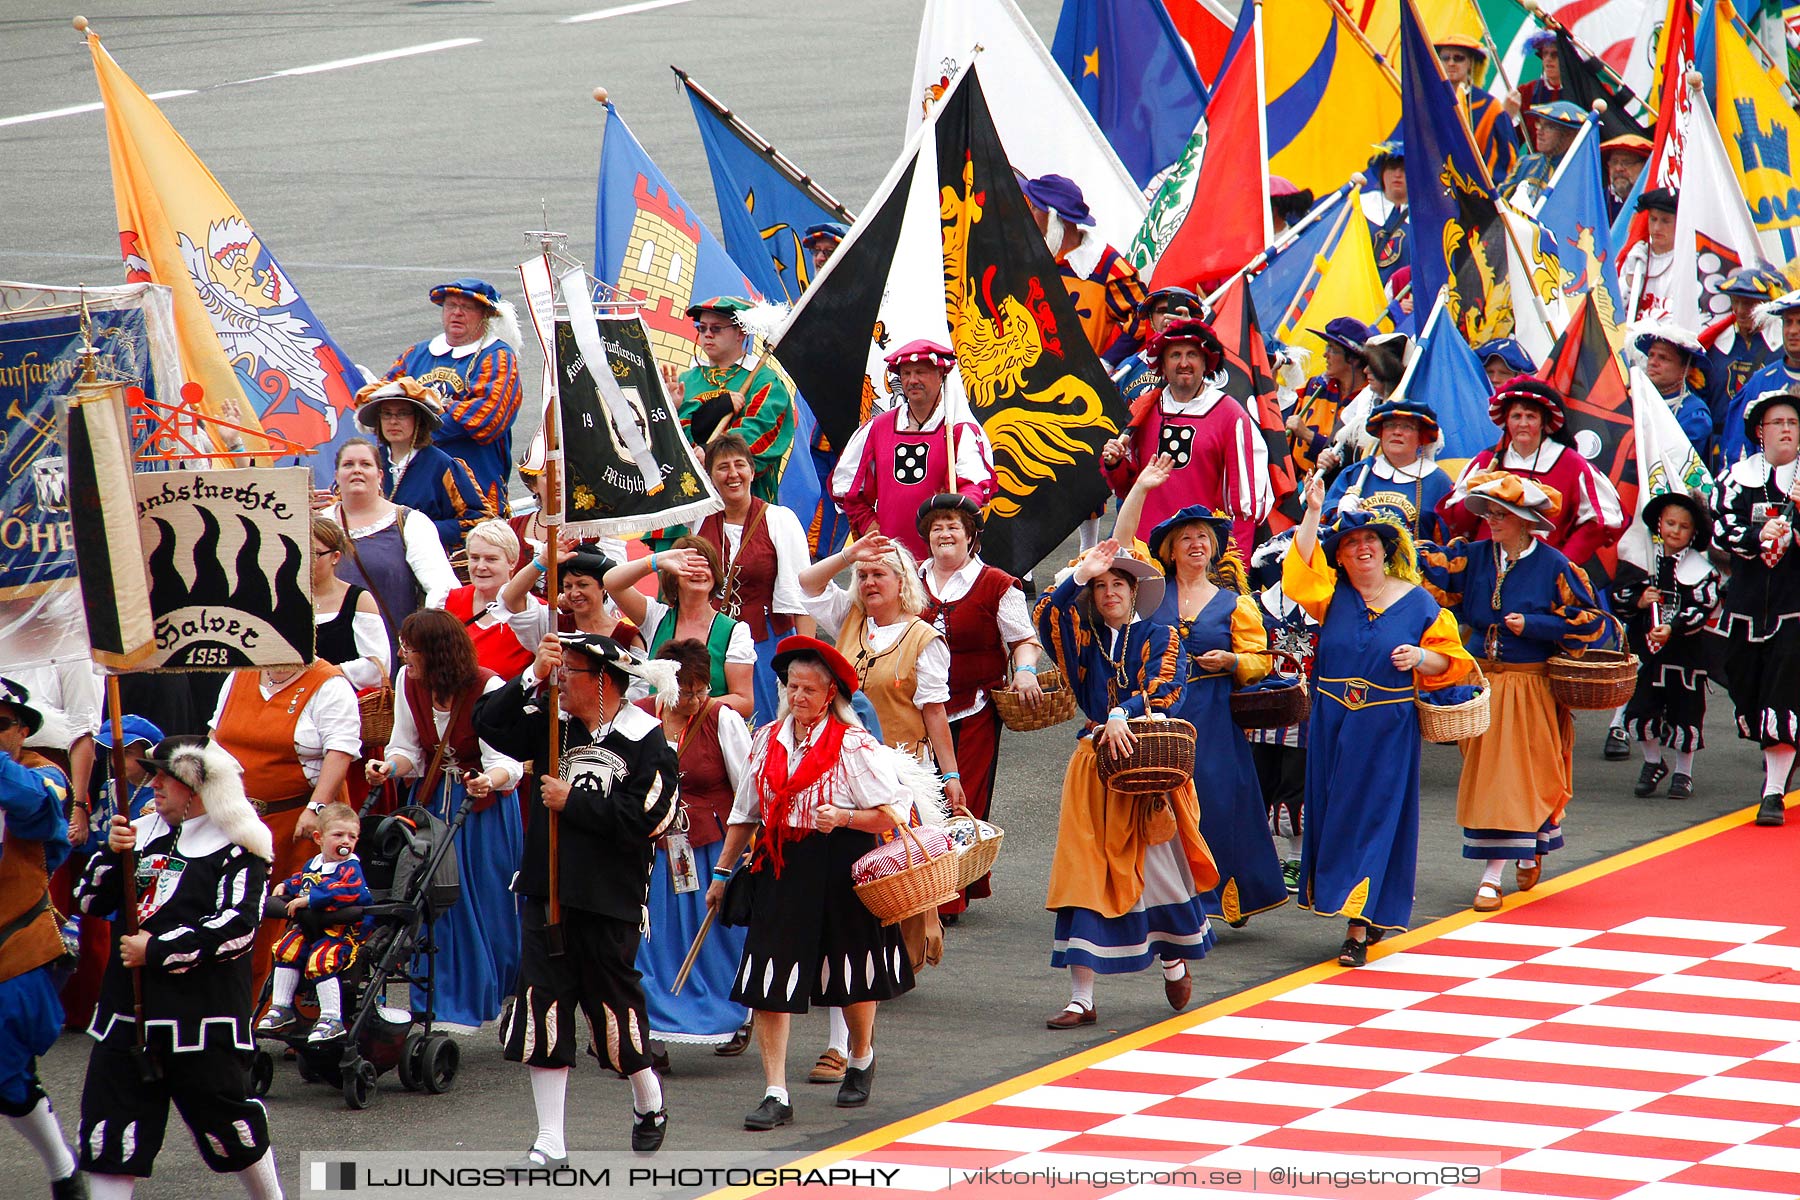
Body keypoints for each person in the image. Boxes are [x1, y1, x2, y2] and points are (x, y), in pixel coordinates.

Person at [473, 632, 678, 1156]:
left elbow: (650, 819)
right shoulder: (552, 725)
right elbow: (488, 723)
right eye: (559, 670)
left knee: (612, 1007)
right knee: (544, 1005)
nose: (562, 679)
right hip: (546, 892)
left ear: (604, 681)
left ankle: (647, 1094)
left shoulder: (646, 740)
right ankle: (550, 1139)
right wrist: (532, 675)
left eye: (571, 671)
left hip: (609, 898)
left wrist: (574, 803)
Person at [705, 636, 918, 1130]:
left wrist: (843, 816)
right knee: (768, 976)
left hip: (842, 863)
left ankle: (860, 1056)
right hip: (781, 864)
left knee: (851, 973)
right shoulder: (767, 740)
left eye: (808, 689)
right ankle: (775, 1092)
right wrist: (721, 872)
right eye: (791, 686)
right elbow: (746, 812)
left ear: (830, 696)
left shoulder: (855, 745)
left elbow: (894, 812)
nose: (796, 696)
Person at [74, 736, 282, 1200]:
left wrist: (159, 950)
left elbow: (238, 927)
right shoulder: (138, 834)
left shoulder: (239, 846)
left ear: (199, 788)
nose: (155, 785)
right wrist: (111, 854)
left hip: (201, 1018)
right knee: (111, 1130)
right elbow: (88, 901)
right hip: (127, 1015)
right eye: (155, 775)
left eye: (167, 777)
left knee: (229, 1127)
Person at [1284, 482, 1473, 966]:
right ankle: (1352, 909)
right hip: (1332, 724)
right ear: (1341, 557)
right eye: (1350, 543)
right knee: (1335, 814)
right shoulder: (1332, 596)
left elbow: (1453, 663)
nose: (1362, 547)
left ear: (1386, 550)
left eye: (1370, 541)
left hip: (1387, 729)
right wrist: (1310, 510)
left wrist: (1421, 655)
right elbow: (1297, 575)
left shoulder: (1419, 603)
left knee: (1376, 818)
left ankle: (1358, 926)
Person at [1035, 540, 1218, 1027]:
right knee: (1082, 873)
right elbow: (1046, 618)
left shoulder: (1162, 634)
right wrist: (1078, 574)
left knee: (1156, 871)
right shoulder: (1082, 638)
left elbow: (1167, 689)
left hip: (1147, 766)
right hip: (1094, 766)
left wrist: (1121, 713)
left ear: (1134, 590)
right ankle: (1081, 999)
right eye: (1100, 586)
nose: (1109, 592)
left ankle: (1173, 959)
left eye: (1118, 583)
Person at [1421, 472, 1609, 910]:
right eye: (1488, 512)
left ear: (1526, 521)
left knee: (1512, 776)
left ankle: (1492, 876)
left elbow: (1594, 623)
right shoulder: (1473, 557)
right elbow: (1432, 581)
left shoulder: (1555, 566)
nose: (1491, 520)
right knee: (1496, 776)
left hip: (1531, 686)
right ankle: (1532, 842)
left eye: (1501, 514)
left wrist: (1537, 625)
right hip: (1482, 684)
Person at [1113, 469, 1288, 928]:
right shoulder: (1149, 592)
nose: (1195, 544)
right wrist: (1141, 487)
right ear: (1169, 551)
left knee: (1216, 801)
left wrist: (1231, 661)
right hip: (1158, 712)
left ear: (1213, 548)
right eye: (1185, 537)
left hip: (1212, 716)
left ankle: (1216, 901)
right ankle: (1165, 899)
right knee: (1161, 802)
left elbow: (1260, 662)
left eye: (1203, 537)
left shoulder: (1236, 603)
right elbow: (1121, 539)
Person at [366, 610, 523, 1032]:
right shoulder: (408, 683)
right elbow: (408, 750)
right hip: (433, 806)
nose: (403, 655)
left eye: (409, 648)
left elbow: (507, 761)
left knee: (491, 907)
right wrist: (389, 768)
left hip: (483, 810)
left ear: (435, 652)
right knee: (435, 903)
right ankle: (443, 999)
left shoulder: (487, 686)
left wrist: (488, 780)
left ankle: (503, 995)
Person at [916, 494, 1042, 918]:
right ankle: (918, 883)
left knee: (962, 794)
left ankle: (950, 894)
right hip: (917, 705)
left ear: (971, 537)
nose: (945, 533)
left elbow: (1024, 640)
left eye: (953, 526)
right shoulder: (912, 578)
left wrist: (1024, 672)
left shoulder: (997, 584)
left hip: (975, 708)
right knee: (920, 794)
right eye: (937, 527)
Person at [209, 655, 359, 996]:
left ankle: (297, 1014)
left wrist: (316, 808)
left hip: (300, 821)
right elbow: (215, 738)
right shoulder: (239, 675)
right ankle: (235, 1004)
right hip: (238, 818)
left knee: (296, 913)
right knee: (235, 906)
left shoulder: (329, 684)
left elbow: (340, 751)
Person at [634, 640, 752, 1056]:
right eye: (685, 690)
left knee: (716, 939)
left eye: (700, 688)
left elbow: (747, 790)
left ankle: (732, 1014)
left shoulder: (721, 718)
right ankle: (656, 1030)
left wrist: (743, 851)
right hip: (657, 847)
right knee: (656, 938)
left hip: (709, 847)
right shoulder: (642, 716)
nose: (694, 699)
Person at [0, 678, 84, 1200]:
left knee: (6, 1075)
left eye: (0, 724)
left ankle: (62, 1170)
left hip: (14, 942)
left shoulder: (43, 774)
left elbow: (39, 814)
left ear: (23, 730)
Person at [1100, 319, 1263, 556]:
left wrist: (1233, 572)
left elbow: (1242, 507)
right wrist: (1114, 463)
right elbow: (1126, 487)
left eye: (1192, 355)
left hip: (1199, 556)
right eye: (1175, 355)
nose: (1184, 363)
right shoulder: (1144, 409)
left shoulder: (1231, 415)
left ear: (1206, 362)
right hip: (1145, 551)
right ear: (1163, 365)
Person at [1714, 392, 1800, 826]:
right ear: (1759, 432)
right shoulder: (1736, 478)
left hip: (1794, 608)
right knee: (1745, 689)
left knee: (1781, 694)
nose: (1786, 429)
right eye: (1777, 422)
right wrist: (1756, 533)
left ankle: (1773, 792)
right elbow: (1718, 529)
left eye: (1793, 422)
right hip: (1746, 608)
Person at [831, 339, 996, 562]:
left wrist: (951, 521)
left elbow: (973, 488)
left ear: (940, 375)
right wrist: (872, 526)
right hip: (890, 557)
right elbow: (848, 488)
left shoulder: (959, 430)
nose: (912, 380)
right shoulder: (877, 428)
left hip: (943, 557)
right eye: (906, 373)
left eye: (920, 372)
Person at [688, 435, 814, 723]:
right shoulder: (697, 520)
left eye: (739, 465)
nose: (732, 474)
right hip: (712, 642)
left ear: (752, 470)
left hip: (765, 642)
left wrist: (807, 661)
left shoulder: (780, 520)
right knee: (715, 723)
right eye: (722, 467)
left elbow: (801, 600)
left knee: (766, 723)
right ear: (710, 476)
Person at [1439, 377, 1625, 565]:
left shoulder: (1572, 464)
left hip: (1541, 574)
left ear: (1544, 423)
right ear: (1506, 421)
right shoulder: (1486, 461)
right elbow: (1456, 521)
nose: (1523, 423)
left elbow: (1602, 521)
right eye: (1516, 416)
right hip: (1486, 569)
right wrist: (1474, 492)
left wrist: (1563, 564)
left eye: (1531, 416)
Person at [383, 277, 523, 520]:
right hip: (414, 489)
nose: (457, 313)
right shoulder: (415, 354)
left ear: (485, 315)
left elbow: (486, 417)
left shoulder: (497, 357)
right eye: (450, 306)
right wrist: (445, 409)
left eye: (467, 308)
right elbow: (381, 404)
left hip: (472, 492)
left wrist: (414, 419)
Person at [1611, 493, 1720, 800]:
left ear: (1693, 532)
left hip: (1684, 657)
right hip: (1646, 655)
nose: (1675, 530)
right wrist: (1639, 600)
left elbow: (1704, 606)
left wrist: (1673, 627)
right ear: (1658, 523)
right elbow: (1619, 598)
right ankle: (1652, 762)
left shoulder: (1701, 569)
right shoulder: (1642, 560)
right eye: (1670, 523)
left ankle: (1684, 773)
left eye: (1683, 526)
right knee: (1641, 709)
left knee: (1686, 714)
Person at [321, 437, 459, 666]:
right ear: (336, 475)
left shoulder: (410, 522)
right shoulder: (318, 525)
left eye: (365, 464)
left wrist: (418, 642)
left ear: (380, 475)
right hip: (329, 659)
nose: (357, 470)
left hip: (393, 656)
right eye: (348, 465)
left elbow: (442, 589)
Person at [255, 801, 372, 1044]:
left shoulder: (350, 868)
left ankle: (332, 1018)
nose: (346, 842)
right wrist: (287, 886)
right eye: (338, 835)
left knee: (322, 959)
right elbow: (303, 879)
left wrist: (310, 900)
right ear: (319, 838)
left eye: (352, 837)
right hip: (311, 929)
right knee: (285, 949)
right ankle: (281, 1007)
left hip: (340, 932)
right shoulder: (315, 864)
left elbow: (349, 891)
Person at [603, 537, 755, 720]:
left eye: (705, 565)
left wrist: (688, 704)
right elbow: (611, 582)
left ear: (714, 575)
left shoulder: (735, 631)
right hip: (658, 734)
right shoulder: (655, 617)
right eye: (688, 566)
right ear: (672, 576)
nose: (698, 571)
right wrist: (656, 561)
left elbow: (744, 701)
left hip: (706, 733)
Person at [666, 296, 794, 503]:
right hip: (684, 499)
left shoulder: (764, 381)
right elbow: (667, 443)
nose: (707, 334)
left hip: (739, 505)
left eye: (716, 328)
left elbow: (759, 433)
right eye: (702, 328)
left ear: (741, 332)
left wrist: (712, 454)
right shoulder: (684, 380)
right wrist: (670, 410)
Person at [354, 376, 491, 552]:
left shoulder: (442, 465)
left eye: (402, 413)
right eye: (386, 414)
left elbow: (478, 521)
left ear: (418, 419)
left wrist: (420, 531)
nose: (393, 421)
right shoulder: (366, 462)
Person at [1021, 173, 1148, 356]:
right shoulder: (1032, 257)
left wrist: (1108, 362)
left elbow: (1145, 316)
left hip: (1076, 380)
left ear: (1053, 217)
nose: (1029, 214)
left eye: (1034, 208)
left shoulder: (1106, 265)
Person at [1325, 397, 1454, 544]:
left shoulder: (1438, 482)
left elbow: (1447, 543)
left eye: (1407, 427)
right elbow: (1325, 524)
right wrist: (1339, 513)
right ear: (1381, 433)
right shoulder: (1356, 474)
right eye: (1390, 425)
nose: (1397, 432)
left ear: (1421, 437)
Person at [446, 520, 539, 681]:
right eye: (475, 558)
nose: (481, 566)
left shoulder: (534, 612)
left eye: (491, 559)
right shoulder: (449, 602)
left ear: (512, 562)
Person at [1706, 267, 1787, 446]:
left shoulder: (1783, 348)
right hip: (1722, 445)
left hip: (1768, 444)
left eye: (1749, 304)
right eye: (1736, 301)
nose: (1741, 311)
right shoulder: (1714, 348)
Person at [310, 517, 390, 697]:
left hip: (345, 701)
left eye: (315, 554)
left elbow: (378, 666)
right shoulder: (286, 600)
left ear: (335, 557)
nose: (307, 561)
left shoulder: (358, 600)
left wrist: (322, 675)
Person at [502, 547, 639, 650]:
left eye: (582, 585)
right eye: (568, 586)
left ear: (603, 586)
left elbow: (638, 686)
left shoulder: (628, 636)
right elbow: (511, 598)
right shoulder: (552, 625)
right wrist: (543, 561)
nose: (574, 593)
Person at [1721, 293, 1800, 469]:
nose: (1793, 331)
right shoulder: (1760, 382)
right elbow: (1737, 452)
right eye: (1788, 322)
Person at [1286, 318, 1372, 476]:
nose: (1325, 354)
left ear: (1353, 358)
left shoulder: (1369, 399)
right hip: (1299, 487)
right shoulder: (1313, 387)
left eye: (1332, 349)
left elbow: (1355, 457)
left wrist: (1307, 435)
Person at [1437, 34, 1520, 182]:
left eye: (1458, 58)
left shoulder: (1490, 107)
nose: (1451, 63)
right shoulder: (1429, 101)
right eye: (1445, 58)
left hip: (1477, 192)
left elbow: (1507, 160)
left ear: (1471, 63)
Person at [1111, 287, 1206, 406]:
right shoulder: (1127, 368)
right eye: (1161, 311)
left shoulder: (1207, 364)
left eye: (1176, 311)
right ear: (1151, 318)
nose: (1168, 317)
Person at [1502, 100, 1585, 205]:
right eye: (1539, 124)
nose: (1539, 131)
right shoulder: (1526, 163)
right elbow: (1500, 201)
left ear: (1570, 135)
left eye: (1549, 127)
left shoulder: (1580, 177)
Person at [1619, 188, 1680, 323]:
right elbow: (1612, 308)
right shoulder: (1635, 256)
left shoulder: (1686, 262)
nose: (1657, 227)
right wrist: (1630, 279)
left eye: (1665, 221)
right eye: (1653, 219)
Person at [1362, 141, 1409, 284]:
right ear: (1382, 172)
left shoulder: (1426, 216)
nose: (1397, 174)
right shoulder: (1361, 205)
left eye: (1404, 169)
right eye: (1392, 167)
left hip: (1402, 300)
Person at [1510, 32, 1564, 151]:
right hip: (1537, 165)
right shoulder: (1527, 91)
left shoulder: (1582, 92)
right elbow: (1515, 137)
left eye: (1555, 54)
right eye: (1545, 54)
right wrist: (1506, 115)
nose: (1548, 59)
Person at [1601, 134, 1652, 222]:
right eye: (1614, 162)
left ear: (1645, 166)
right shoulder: (1598, 201)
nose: (1618, 168)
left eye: (1627, 162)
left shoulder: (1657, 203)